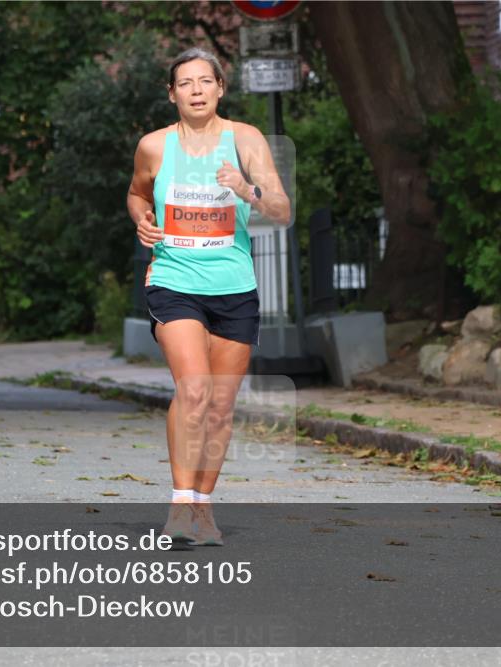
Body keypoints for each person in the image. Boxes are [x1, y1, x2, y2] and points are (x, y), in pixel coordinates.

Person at [126, 47, 290, 546]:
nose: (196, 90)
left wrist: (247, 188)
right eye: (185, 83)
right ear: (172, 93)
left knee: (219, 406)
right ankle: (180, 504)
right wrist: (142, 222)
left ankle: (202, 509)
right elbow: (137, 192)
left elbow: (281, 210)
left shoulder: (246, 140)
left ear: (221, 87)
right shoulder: (154, 146)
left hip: (234, 286)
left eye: (205, 81)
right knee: (193, 388)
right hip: (174, 281)